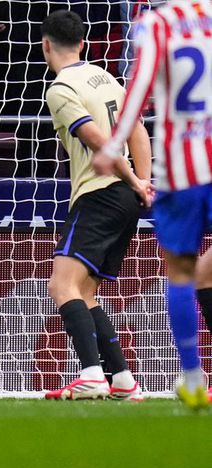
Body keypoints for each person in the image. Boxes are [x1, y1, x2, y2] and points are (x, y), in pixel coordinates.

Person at [93, 0, 212, 410]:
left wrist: (114, 146)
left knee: (181, 272)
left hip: (182, 172)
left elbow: (139, 87)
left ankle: (192, 378)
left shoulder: (157, 23)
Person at [40, 10, 153, 401]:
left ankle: (91, 375)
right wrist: (143, 182)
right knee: (85, 293)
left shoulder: (60, 88)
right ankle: (122, 379)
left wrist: (133, 180)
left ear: (46, 45)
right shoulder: (106, 77)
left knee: (61, 285)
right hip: (125, 198)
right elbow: (137, 129)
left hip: (100, 193)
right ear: (83, 44)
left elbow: (96, 140)